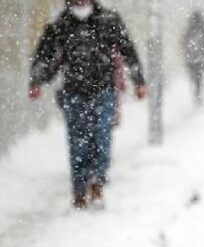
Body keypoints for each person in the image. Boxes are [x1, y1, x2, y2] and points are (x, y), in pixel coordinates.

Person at [28, 0, 146, 209]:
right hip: (74, 92)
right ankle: (79, 189)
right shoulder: (60, 23)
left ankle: (97, 182)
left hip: (104, 90)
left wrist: (139, 81)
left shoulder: (108, 19)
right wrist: (37, 80)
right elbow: (45, 55)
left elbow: (128, 50)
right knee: (78, 142)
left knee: (102, 137)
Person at [182, 11, 204, 106]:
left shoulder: (189, 31)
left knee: (194, 78)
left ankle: (197, 94)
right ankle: (198, 94)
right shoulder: (203, 30)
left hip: (191, 59)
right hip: (200, 59)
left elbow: (184, 44)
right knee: (199, 78)